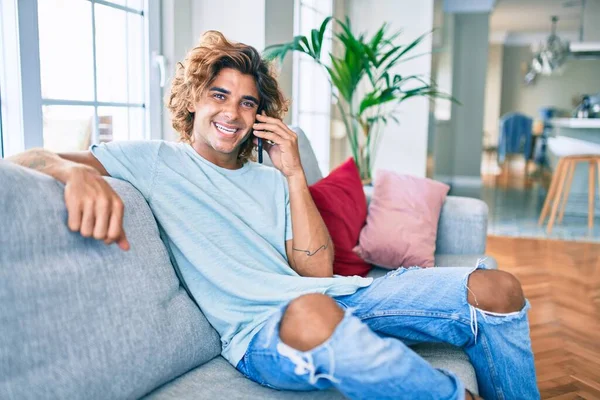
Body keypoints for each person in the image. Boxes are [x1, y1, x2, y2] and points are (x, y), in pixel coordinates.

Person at [7, 31, 539, 400]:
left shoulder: (270, 180)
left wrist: (291, 175)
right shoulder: (151, 160)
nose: (232, 113)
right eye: (220, 95)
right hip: (262, 332)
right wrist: (72, 171)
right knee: (310, 312)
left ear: (259, 116)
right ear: (194, 99)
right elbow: (22, 159)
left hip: (342, 299)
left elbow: (316, 272)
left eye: (247, 103)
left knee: (498, 287)